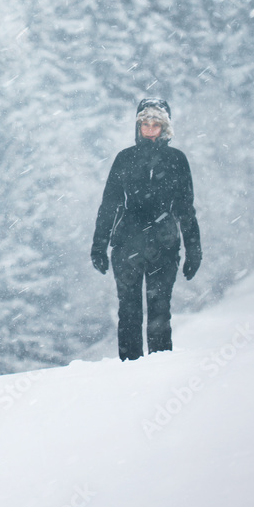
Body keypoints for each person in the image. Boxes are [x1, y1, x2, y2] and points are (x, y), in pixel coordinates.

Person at [90, 98, 201, 361]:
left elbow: (186, 208)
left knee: (160, 311)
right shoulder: (124, 159)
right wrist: (99, 245)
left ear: (165, 128)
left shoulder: (177, 160)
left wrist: (193, 250)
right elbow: (109, 205)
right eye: (145, 123)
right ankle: (130, 370)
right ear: (138, 126)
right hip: (127, 245)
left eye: (156, 124)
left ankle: (160, 368)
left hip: (164, 245)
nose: (150, 129)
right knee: (128, 312)